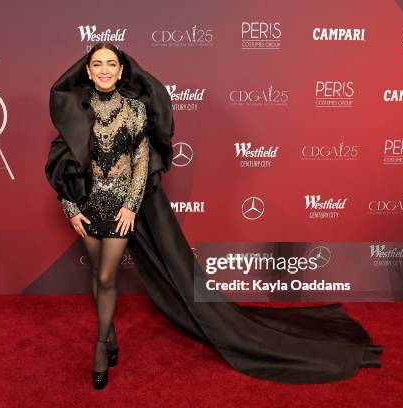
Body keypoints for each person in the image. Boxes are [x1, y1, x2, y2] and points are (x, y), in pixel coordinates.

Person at [45, 43, 383, 390]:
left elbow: (141, 164)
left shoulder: (135, 110)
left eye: (110, 64)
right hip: (87, 207)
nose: (103, 70)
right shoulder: (76, 109)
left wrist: (131, 206)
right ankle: (111, 333)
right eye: (97, 64)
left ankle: (101, 345)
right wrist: (71, 208)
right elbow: (63, 161)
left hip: (120, 210)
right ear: (87, 71)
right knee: (100, 273)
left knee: (104, 277)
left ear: (121, 71)